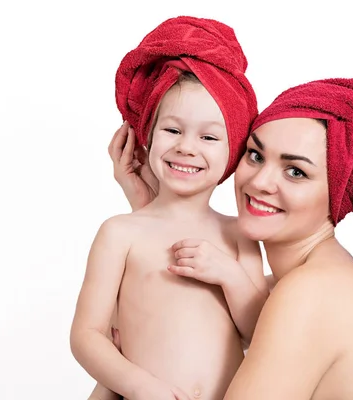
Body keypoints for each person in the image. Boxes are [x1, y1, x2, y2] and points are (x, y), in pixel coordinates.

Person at [110, 77, 353, 399]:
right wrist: (153, 211)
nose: (260, 182)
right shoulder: (299, 283)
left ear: (338, 193)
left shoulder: (311, 294)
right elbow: (170, 332)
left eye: (295, 172)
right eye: (256, 155)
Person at [70, 16, 268, 400]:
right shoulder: (121, 232)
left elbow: (259, 333)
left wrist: (229, 275)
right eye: (173, 130)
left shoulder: (239, 234)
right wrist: (141, 386)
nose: (187, 147)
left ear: (234, 151)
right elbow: (87, 335)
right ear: (147, 136)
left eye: (209, 136)